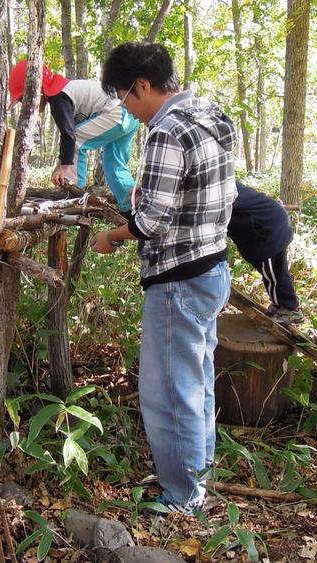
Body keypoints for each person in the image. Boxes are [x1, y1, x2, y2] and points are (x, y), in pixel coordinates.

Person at [92, 42, 236, 514]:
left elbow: (150, 220)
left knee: (169, 392)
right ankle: (198, 478)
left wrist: (111, 236)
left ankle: (183, 497)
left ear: (143, 85)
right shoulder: (209, 113)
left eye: (124, 96)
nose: (125, 107)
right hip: (212, 266)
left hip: (178, 277)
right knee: (197, 383)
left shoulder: (167, 131)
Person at [8, 59, 139, 212]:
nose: (27, 104)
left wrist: (64, 168)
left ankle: (74, 196)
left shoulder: (58, 96)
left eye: (24, 99)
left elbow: (69, 135)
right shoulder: (61, 91)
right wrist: (61, 163)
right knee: (115, 165)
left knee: (77, 139)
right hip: (128, 115)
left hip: (118, 114)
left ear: (37, 90)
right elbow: (66, 137)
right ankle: (131, 208)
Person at [228, 181, 304, 324]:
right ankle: (280, 305)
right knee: (272, 272)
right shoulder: (222, 180)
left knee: (274, 273)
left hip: (267, 229)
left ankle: (289, 309)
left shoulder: (218, 186)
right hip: (269, 224)